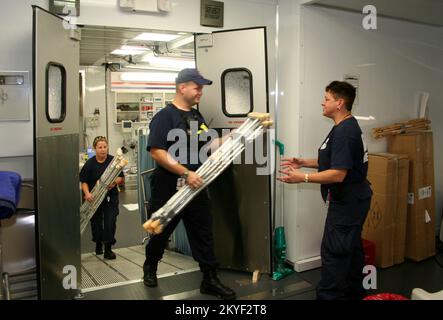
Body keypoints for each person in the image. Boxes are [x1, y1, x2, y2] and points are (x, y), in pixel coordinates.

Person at [142, 68, 236, 300]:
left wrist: (233, 136)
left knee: (203, 233)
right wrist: (185, 172)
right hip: (169, 185)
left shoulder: (196, 116)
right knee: (160, 231)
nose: (200, 92)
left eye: (201, 88)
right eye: (197, 87)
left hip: (196, 184)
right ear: (182, 87)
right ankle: (150, 267)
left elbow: (208, 146)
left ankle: (209, 279)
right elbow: (157, 152)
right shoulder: (165, 117)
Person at [278, 81, 372, 300]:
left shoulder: (345, 132)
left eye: (327, 99)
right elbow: (334, 161)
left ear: (339, 103)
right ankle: (355, 293)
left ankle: (329, 297)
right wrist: (304, 162)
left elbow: (338, 174)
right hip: (354, 201)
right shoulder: (344, 126)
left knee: (334, 254)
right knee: (351, 250)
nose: (323, 102)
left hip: (348, 204)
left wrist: (303, 177)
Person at [80, 136, 125, 260]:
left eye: (105, 147)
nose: (103, 149)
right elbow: (83, 181)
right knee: (96, 223)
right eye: (100, 147)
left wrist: (115, 182)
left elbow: (121, 178)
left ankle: (108, 249)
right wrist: (87, 193)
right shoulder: (90, 164)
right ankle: (98, 243)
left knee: (110, 222)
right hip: (94, 198)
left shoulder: (113, 162)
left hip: (111, 197)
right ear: (95, 149)